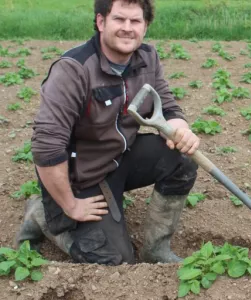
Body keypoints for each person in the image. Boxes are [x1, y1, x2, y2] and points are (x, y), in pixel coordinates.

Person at [14, 0, 200, 265]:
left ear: (145, 26)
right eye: (119, 19)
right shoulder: (74, 69)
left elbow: (167, 106)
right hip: (81, 175)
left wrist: (180, 129)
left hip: (119, 157)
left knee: (182, 159)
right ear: (101, 22)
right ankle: (43, 215)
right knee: (113, 260)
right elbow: (47, 148)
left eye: (135, 21)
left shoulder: (147, 58)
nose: (128, 28)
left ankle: (156, 249)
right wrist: (70, 205)